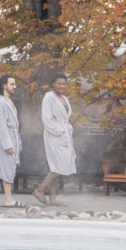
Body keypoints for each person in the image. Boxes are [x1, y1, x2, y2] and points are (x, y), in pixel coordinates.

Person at [33, 73, 76, 206]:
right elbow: (46, 118)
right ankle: (40, 190)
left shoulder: (65, 98)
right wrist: (60, 131)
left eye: (64, 84)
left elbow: (65, 117)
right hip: (54, 134)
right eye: (59, 83)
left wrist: (66, 131)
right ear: (53, 84)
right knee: (58, 165)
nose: (62, 86)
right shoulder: (49, 97)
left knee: (59, 165)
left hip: (64, 134)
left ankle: (52, 198)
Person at [0, 75, 25, 208]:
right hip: (4, 138)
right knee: (7, 167)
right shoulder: (0, 103)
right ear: (4, 86)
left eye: (15, 84)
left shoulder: (10, 102)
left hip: (12, 136)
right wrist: (7, 144)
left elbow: (15, 125)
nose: (15, 87)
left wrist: (18, 142)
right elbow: (1, 124)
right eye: (12, 84)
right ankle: (8, 199)